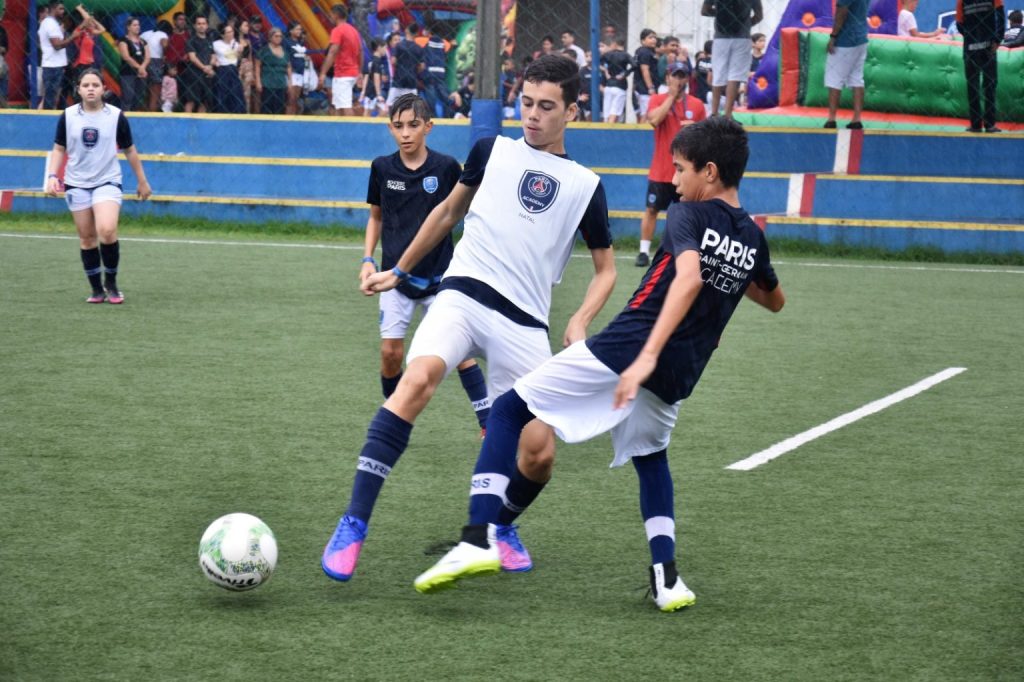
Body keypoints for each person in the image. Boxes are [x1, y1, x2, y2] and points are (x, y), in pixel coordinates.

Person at [413, 116, 785, 613]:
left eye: (679, 170)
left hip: (629, 347)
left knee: (507, 411)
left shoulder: (687, 216)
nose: (673, 181)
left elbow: (690, 279)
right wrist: (731, 271)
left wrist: (644, 355)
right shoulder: (752, 237)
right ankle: (667, 578)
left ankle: (479, 536)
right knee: (651, 458)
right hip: (681, 372)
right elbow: (774, 298)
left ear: (710, 172)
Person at [321, 54, 618, 584]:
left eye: (546, 107)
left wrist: (580, 319)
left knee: (540, 454)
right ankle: (353, 521)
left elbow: (605, 270)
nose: (532, 115)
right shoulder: (491, 151)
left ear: (572, 110)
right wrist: (399, 269)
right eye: (526, 103)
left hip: (526, 323)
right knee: (417, 379)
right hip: (461, 294)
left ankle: (499, 528)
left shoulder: (585, 185)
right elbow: (446, 213)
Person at [360, 94, 490, 433]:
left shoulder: (446, 168)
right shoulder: (382, 168)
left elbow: (464, 212)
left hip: (441, 280)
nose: (406, 133)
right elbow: (375, 217)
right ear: (390, 128)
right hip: (393, 278)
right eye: (398, 126)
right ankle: (395, 413)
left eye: (413, 125)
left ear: (428, 127)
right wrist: (367, 260)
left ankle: (487, 422)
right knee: (390, 353)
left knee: (460, 354)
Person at [44, 69, 152, 304]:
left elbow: (130, 150)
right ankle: (96, 289)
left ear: (104, 89)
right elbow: (59, 148)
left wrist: (142, 181)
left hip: (107, 180)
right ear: (78, 89)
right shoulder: (68, 115)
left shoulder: (115, 116)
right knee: (87, 237)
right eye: (86, 85)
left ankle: (111, 283)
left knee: (107, 230)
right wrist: (52, 175)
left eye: (95, 84)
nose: (91, 89)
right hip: (77, 183)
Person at [636, 61, 707, 267]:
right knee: (651, 210)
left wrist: (695, 128)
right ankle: (643, 252)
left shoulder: (697, 104)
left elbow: (706, 137)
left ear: (688, 79)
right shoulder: (657, 100)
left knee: (687, 213)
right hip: (661, 170)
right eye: (675, 75)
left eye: (682, 76)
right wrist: (671, 97)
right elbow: (654, 120)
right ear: (667, 78)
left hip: (687, 172)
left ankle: (685, 251)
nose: (678, 80)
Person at [702, 0, 763, 117]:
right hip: (742, 37)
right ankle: (728, 114)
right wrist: (745, 22)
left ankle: (714, 113)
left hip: (721, 37)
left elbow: (705, 11)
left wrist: (722, 13)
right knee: (735, 77)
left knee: (718, 74)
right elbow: (759, 16)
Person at [957, 0, 1005, 133]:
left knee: (973, 87)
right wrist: (996, 39)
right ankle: (989, 125)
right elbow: (1000, 17)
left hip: (971, 49)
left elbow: (959, 24)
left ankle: (976, 124)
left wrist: (971, 36)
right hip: (989, 48)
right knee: (989, 85)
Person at [823, 0, 870, 129]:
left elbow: (841, 12)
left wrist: (833, 36)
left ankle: (831, 118)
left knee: (834, 79)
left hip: (845, 40)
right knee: (857, 78)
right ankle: (857, 118)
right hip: (861, 37)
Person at [319, 4, 362, 116]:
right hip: (352, 72)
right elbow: (361, 52)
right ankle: (340, 131)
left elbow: (332, 52)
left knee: (345, 106)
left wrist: (323, 73)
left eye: (331, 15)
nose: (330, 17)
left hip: (343, 73)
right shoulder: (354, 31)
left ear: (336, 15)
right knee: (338, 106)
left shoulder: (337, 30)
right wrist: (360, 72)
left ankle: (351, 132)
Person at [39, 1, 72, 109]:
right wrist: (74, 36)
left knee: (53, 97)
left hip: (55, 64)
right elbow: (57, 45)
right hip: (52, 66)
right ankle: (47, 121)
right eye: (61, 9)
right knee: (50, 98)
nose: (63, 11)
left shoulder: (52, 23)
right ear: (53, 9)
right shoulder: (50, 24)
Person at [183, 15, 214, 113]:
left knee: (205, 101)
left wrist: (210, 66)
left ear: (207, 25)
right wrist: (204, 68)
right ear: (194, 26)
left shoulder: (209, 40)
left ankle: (201, 126)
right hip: (194, 74)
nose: (201, 26)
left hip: (207, 75)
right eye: (199, 23)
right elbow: (193, 58)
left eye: (203, 23)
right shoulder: (191, 40)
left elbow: (213, 55)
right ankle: (186, 125)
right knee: (191, 101)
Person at [387, 22, 424, 107]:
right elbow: (422, 66)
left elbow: (393, 61)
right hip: (411, 81)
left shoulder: (399, 46)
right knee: (410, 107)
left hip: (399, 80)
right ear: (416, 33)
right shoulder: (418, 48)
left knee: (390, 105)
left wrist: (400, 65)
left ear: (407, 31)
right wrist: (414, 70)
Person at [117, 17, 149, 112]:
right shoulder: (123, 41)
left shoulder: (143, 41)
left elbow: (147, 56)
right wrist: (139, 67)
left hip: (141, 73)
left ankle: (134, 118)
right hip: (128, 73)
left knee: (138, 98)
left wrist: (143, 67)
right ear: (128, 27)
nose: (137, 27)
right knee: (128, 97)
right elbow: (126, 57)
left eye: (138, 25)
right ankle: (124, 119)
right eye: (134, 25)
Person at [256, 28, 290, 114]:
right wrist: (258, 81)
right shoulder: (264, 50)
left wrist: (290, 81)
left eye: (280, 36)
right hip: (268, 83)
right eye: (276, 36)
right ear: (270, 37)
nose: (278, 38)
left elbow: (288, 67)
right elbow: (257, 66)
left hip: (281, 83)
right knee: (266, 107)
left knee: (280, 107)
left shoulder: (285, 51)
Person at [421, 25, 453, 118]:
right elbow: (448, 48)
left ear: (429, 33)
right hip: (440, 72)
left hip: (429, 72)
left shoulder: (425, 41)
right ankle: (449, 109)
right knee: (443, 93)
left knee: (431, 93)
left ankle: (432, 114)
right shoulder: (444, 43)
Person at [212, 23, 245, 113]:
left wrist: (239, 53)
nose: (232, 33)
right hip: (222, 70)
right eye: (229, 32)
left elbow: (237, 59)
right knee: (222, 95)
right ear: (223, 34)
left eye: (232, 31)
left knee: (236, 95)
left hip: (233, 70)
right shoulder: (216, 44)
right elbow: (224, 55)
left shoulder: (236, 44)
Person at [600, 35, 632, 123]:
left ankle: (604, 133)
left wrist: (606, 71)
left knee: (607, 112)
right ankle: (610, 134)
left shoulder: (608, 54)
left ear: (614, 44)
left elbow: (597, 62)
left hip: (608, 85)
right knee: (615, 111)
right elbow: (635, 65)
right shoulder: (626, 55)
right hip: (620, 85)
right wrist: (625, 74)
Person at [141, 19, 169, 111]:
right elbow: (164, 43)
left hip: (143, 60)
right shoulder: (163, 34)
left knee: (145, 87)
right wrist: (165, 54)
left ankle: (144, 108)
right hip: (156, 60)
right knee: (155, 87)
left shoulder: (145, 33)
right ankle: (152, 109)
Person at [633, 28, 660, 121]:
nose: (654, 40)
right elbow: (645, 70)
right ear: (643, 41)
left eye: (655, 38)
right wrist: (650, 87)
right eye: (650, 37)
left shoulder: (640, 51)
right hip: (644, 89)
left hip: (639, 87)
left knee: (643, 113)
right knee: (647, 113)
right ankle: (642, 135)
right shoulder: (645, 52)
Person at [284, 22, 307, 115]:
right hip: (292, 73)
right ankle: (287, 121)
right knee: (291, 99)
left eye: (300, 29)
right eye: (297, 29)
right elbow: (286, 57)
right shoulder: (287, 42)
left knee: (296, 99)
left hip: (300, 73)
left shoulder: (300, 43)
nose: (299, 31)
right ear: (291, 30)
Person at [694, 40, 713, 106]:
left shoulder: (699, 61)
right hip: (713, 95)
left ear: (704, 51)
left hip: (701, 94)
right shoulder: (717, 62)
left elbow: (694, 75)